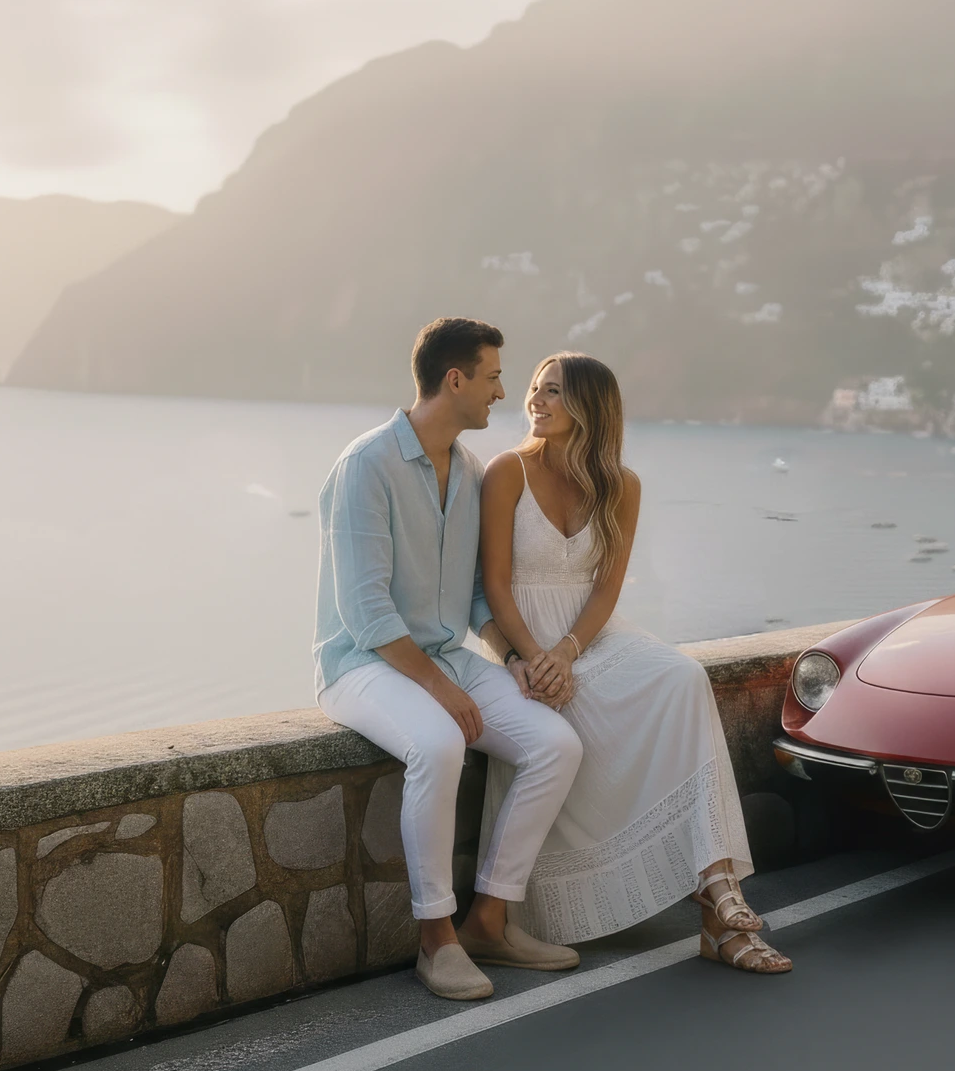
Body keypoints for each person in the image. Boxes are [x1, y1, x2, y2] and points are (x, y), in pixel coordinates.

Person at [478, 352, 791, 974]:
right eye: (535, 390)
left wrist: (569, 651)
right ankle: (720, 911)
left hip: (590, 636)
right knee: (590, 718)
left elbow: (606, 588)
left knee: (682, 677)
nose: (535, 401)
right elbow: (493, 584)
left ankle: (717, 884)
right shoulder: (506, 471)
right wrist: (536, 657)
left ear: (591, 406)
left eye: (554, 393)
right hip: (525, 642)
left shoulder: (622, 484)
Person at [314, 317, 584, 1001]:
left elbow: (471, 596)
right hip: (361, 665)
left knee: (556, 744)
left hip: (440, 655)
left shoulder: (469, 472)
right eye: (493, 376)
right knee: (437, 745)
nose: (503, 392)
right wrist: (440, 687)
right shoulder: (365, 465)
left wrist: (512, 659)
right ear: (454, 379)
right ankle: (436, 940)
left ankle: (490, 918)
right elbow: (366, 614)